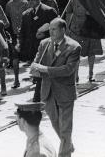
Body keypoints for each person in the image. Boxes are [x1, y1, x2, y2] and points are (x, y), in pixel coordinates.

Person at [31, 18, 81, 157]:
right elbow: (37, 62)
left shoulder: (74, 46)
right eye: (50, 29)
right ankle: (68, 144)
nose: (51, 32)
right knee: (55, 123)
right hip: (48, 91)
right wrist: (35, 68)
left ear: (63, 30)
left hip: (65, 91)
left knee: (65, 128)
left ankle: (64, 153)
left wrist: (45, 69)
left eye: (54, 29)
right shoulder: (44, 44)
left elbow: (68, 70)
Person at [66, 0, 103, 82]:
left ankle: (91, 73)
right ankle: (76, 75)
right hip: (76, 28)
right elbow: (69, 12)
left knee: (91, 52)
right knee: (76, 52)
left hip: (91, 27)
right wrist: (67, 28)